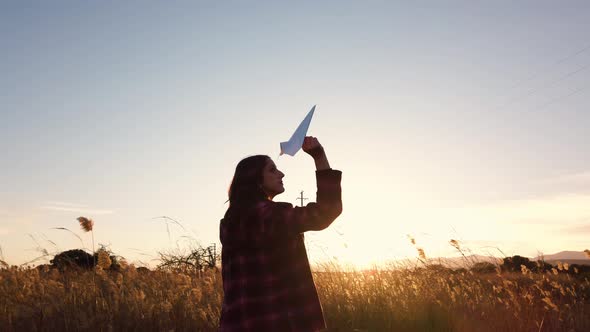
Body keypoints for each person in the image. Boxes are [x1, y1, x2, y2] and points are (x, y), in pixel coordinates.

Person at [219, 136, 343, 332]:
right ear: (256, 181)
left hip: (239, 323)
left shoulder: (230, 222)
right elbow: (326, 211)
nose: (281, 174)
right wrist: (319, 156)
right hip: (276, 322)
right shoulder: (270, 216)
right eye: (272, 170)